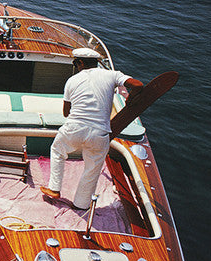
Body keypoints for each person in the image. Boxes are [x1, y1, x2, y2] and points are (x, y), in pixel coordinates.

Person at [42, 48, 143, 208]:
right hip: (100, 133)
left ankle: (54, 189)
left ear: (81, 63)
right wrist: (131, 97)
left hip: (75, 128)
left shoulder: (72, 81)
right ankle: (81, 204)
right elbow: (138, 84)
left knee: (57, 150)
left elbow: (66, 113)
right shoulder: (113, 74)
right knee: (92, 169)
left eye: (76, 62)